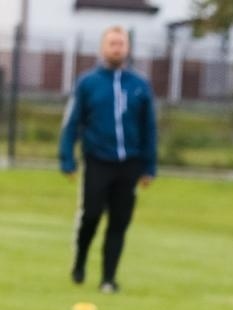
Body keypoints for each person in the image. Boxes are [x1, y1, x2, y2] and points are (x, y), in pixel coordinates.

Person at [59, 26, 158, 294]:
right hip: (97, 160)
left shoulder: (139, 85)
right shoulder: (87, 83)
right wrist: (67, 158)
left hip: (130, 163)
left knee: (119, 221)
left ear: (127, 48)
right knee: (91, 215)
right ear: (103, 47)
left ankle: (108, 279)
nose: (117, 48)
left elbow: (149, 127)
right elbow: (72, 124)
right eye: (112, 43)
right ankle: (80, 261)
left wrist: (149, 166)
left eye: (121, 43)